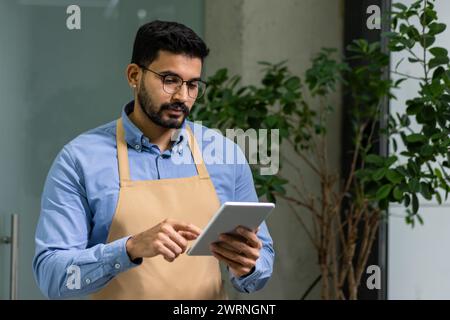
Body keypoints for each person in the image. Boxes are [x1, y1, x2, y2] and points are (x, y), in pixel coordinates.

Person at [32, 20, 274, 299]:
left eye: (193, 84)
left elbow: (261, 259)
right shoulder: (79, 160)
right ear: (134, 75)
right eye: (170, 80)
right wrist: (129, 249)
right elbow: (52, 277)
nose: (182, 97)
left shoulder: (225, 154)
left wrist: (247, 267)